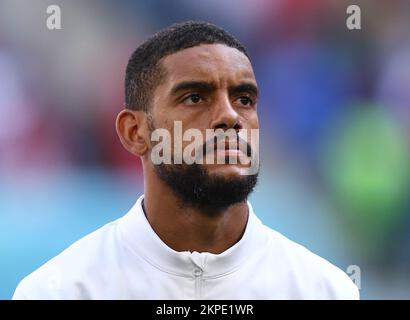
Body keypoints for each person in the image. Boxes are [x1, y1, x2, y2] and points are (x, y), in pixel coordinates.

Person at [13, 21, 359, 299]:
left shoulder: (323, 290)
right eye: (195, 97)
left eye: (243, 99)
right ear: (135, 132)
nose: (230, 117)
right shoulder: (61, 290)